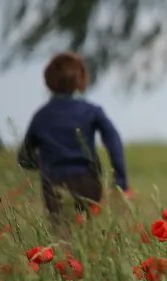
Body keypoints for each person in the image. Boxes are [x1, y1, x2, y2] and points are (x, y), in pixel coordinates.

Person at [18, 52, 129, 219]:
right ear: (81, 79)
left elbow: (24, 157)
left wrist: (46, 164)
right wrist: (120, 179)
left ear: (48, 81)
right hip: (87, 182)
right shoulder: (91, 111)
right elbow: (113, 140)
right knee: (87, 232)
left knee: (61, 235)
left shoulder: (41, 116)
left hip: (54, 184)